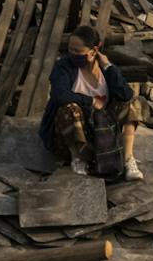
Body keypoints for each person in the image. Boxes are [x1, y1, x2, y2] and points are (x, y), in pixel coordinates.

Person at [41, 25, 143, 180]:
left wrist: (109, 67)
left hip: (102, 131)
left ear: (94, 51)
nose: (72, 54)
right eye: (70, 49)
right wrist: (90, 101)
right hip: (73, 134)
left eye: (77, 51)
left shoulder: (105, 69)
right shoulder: (64, 66)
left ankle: (129, 160)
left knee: (130, 104)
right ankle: (78, 159)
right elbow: (59, 95)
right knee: (69, 109)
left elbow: (125, 94)